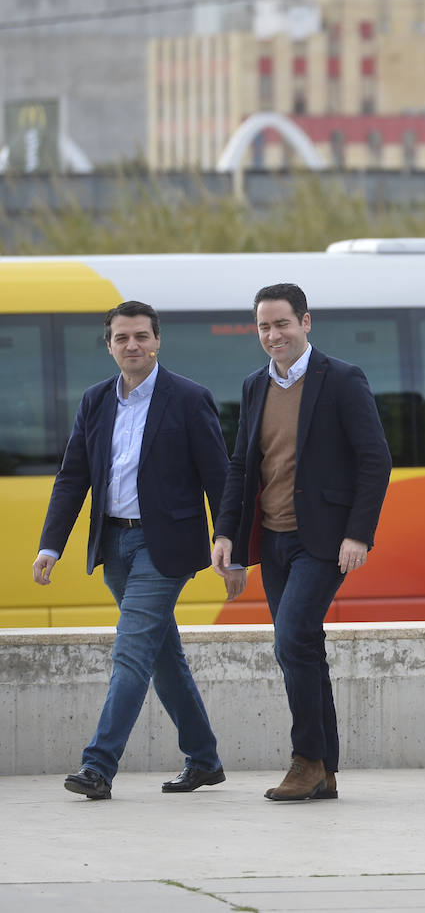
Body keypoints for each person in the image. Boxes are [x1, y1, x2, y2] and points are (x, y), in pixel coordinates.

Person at [34, 301, 242, 800]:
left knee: (130, 653)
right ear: (109, 345)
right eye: (122, 337)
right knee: (162, 657)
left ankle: (98, 766)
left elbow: (220, 478)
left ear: (157, 341)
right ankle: (205, 759)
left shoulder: (189, 398)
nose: (133, 345)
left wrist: (230, 548)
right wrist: (51, 545)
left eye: (142, 336)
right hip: (114, 543)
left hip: (164, 547)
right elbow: (73, 478)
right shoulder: (95, 400)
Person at [211, 283, 392, 802]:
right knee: (303, 648)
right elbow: (243, 466)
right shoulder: (253, 386)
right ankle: (326, 769)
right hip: (272, 540)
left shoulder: (341, 379)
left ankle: (306, 758)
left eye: (283, 324)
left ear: (305, 323)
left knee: (290, 638)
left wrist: (358, 533)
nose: (274, 335)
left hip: (324, 540)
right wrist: (226, 532)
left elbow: (374, 460)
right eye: (264, 326)